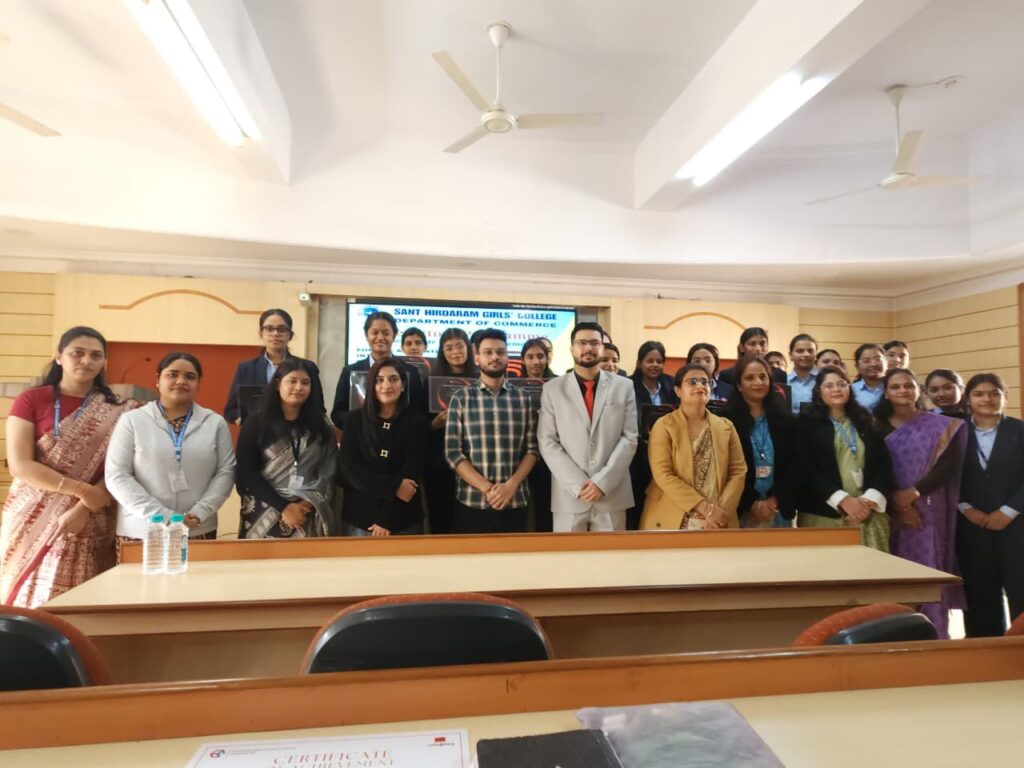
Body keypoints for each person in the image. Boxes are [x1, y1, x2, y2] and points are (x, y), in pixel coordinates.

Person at [0, 326, 136, 607]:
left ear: (104, 363)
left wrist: (84, 504)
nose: (86, 360)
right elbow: (20, 464)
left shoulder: (122, 409)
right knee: (24, 595)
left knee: (80, 600)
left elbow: (124, 467)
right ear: (60, 357)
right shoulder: (32, 399)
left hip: (90, 515)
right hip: (32, 513)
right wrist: (81, 490)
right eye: (78, 353)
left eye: (95, 355)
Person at [106, 353, 235, 554]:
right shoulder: (132, 421)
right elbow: (117, 475)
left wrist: (199, 513)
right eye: (172, 375)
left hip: (197, 527)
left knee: (194, 584)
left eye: (190, 377)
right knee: (137, 585)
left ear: (198, 383)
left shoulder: (214, 423)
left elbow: (226, 472)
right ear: (157, 380)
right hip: (141, 530)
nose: (181, 381)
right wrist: (162, 515)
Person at [874, 368, 967, 638]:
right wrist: (899, 505)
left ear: (918, 390)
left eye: (909, 385)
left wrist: (913, 495)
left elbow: (947, 468)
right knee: (891, 572)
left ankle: (934, 634)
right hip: (888, 512)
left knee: (929, 568)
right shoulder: (874, 426)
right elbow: (874, 470)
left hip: (930, 509)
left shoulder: (940, 426)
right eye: (896, 386)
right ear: (886, 393)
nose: (903, 390)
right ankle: (894, 634)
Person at [538, 322, 638, 532]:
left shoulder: (624, 386)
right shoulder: (552, 389)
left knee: (612, 561)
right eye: (582, 342)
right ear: (572, 348)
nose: (588, 348)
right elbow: (547, 442)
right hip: (569, 495)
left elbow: (629, 439)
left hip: (612, 493)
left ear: (603, 347)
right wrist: (578, 485)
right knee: (568, 562)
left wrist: (602, 483)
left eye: (594, 343)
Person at [444, 329, 538, 533]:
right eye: (488, 352)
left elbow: (532, 450)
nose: (495, 357)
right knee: (472, 564)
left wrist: (510, 486)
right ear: (477, 358)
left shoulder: (523, 399)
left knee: (514, 563)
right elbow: (453, 453)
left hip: (514, 499)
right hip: (472, 501)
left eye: (500, 352)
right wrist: (488, 488)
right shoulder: (461, 398)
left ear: (507, 357)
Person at [236, 359, 337, 538]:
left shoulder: (322, 427)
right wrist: (284, 507)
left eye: (305, 383)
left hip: (307, 514)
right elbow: (246, 473)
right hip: (262, 512)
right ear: (277, 384)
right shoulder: (256, 423)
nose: (299, 387)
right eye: (292, 381)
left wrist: (306, 505)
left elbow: (328, 471)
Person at [956, 373, 1024, 636]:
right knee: (979, 593)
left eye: (994, 393)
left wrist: (1008, 511)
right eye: (979, 394)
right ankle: (985, 653)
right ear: (968, 400)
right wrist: (965, 508)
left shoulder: (1019, 430)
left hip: (1016, 525)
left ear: (1005, 397)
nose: (987, 399)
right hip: (971, 525)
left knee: (1020, 589)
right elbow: (947, 476)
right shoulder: (954, 431)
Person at [640, 364, 746, 531]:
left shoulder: (726, 426)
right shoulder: (664, 425)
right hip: (673, 516)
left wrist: (720, 512)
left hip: (718, 521)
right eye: (692, 381)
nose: (700, 385)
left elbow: (738, 471)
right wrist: (705, 509)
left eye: (705, 381)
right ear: (678, 391)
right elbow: (663, 474)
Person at [797, 366, 891, 551]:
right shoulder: (806, 424)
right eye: (829, 386)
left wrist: (867, 502)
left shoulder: (866, 420)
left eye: (842, 384)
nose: (836, 389)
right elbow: (805, 468)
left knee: (871, 573)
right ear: (818, 391)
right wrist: (843, 501)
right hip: (823, 513)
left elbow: (883, 464)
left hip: (867, 512)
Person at [338, 358, 428, 536]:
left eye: (393, 379)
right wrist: (394, 487)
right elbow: (349, 468)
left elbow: (412, 471)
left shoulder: (418, 423)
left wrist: (386, 519)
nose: (387, 385)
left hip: (403, 519)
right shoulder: (354, 420)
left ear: (403, 385)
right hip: (361, 518)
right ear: (371, 386)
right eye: (379, 380)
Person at [725, 356, 796, 528]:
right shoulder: (725, 421)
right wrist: (752, 503)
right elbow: (725, 468)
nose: (758, 382)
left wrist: (774, 498)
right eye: (749, 378)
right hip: (741, 509)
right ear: (739, 386)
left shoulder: (786, 419)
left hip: (777, 508)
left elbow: (795, 464)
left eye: (763, 377)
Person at [225, 308, 325, 425]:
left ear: (290, 335)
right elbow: (230, 410)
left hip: (297, 432)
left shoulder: (307, 367)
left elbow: (318, 407)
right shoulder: (246, 369)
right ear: (261, 334)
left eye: (281, 329)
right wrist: (241, 419)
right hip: (258, 434)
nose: (275, 334)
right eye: (269, 329)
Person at [423, 327, 478, 534]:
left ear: (468, 348)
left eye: (459, 346)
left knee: (470, 520)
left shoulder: (482, 380)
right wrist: (433, 424)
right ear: (442, 352)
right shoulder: (429, 382)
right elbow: (417, 424)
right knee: (441, 519)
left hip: (475, 461)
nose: (455, 351)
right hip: (439, 463)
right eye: (449, 348)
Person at [331, 311, 425, 429]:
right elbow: (337, 414)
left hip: (400, 440)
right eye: (374, 333)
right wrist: (359, 424)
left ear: (394, 336)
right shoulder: (350, 371)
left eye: (386, 333)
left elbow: (419, 412)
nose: (380, 338)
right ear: (366, 336)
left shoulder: (410, 372)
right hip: (362, 441)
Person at [627, 341, 680, 528]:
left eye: (659, 361)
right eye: (649, 361)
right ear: (639, 363)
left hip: (667, 451)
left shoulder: (672, 384)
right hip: (637, 454)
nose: (655, 365)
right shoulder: (628, 386)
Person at [510, 338, 554, 531]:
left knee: (546, 501)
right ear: (523, 360)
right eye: (530, 357)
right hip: (520, 452)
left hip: (551, 453)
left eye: (540, 356)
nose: (536, 362)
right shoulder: (511, 387)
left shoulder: (559, 384)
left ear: (547, 359)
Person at [719, 328, 787, 387]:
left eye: (762, 344)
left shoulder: (779, 374)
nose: (758, 349)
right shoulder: (727, 375)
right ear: (742, 348)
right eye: (752, 344)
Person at [786, 334, 818, 415]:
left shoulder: (823, 380)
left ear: (816, 355)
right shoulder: (784, 382)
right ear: (790, 355)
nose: (806, 354)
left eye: (810, 351)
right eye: (800, 351)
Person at [851, 343, 886, 411]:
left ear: (886, 362)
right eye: (866, 361)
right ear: (857, 366)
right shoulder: (851, 390)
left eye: (877, 359)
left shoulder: (895, 387)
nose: (873, 364)